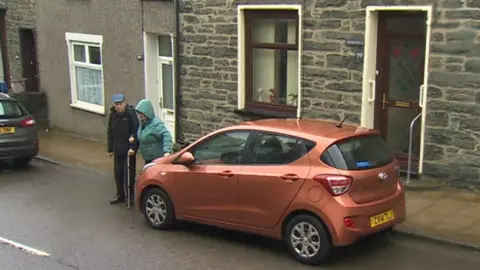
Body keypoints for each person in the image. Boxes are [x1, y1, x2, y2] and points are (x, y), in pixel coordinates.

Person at [107, 93, 139, 205]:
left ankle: (130, 197)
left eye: (120, 104)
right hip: (117, 149)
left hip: (128, 151)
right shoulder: (113, 115)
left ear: (124, 103)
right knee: (118, 173)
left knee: (128, 175)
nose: (118, 107)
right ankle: (120, 195)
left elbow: (136, 132)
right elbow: (110, 132)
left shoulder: (130, 114)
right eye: (116, 104)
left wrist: (133, 148)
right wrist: (110, 148)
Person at [132, 99, 173, 165]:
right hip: (148, 158)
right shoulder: (143, 123)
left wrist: (167, 151)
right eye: (139, 114)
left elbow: (166, 135)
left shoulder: (156, 124)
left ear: (147, 113)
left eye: (141, 115)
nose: (139, 117)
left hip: (157, 159)